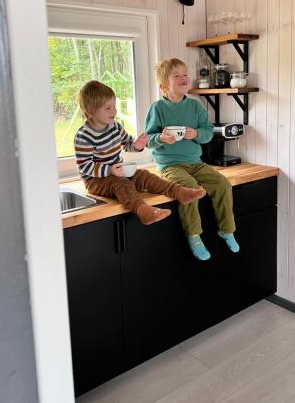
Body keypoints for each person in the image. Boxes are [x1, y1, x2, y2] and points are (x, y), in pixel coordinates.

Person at [74, 80, 206, 226]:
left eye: (114, 106)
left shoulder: (114, 127)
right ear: (91, 112)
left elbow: (127, 144)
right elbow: (84, 166)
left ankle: (180, 192)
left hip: (117, 172)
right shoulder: (84, 136)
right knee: (122, 184)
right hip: (96, 180)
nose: (114, 111)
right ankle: (144, 212)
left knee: (144, 175)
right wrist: (109, 170)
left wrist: (136, 145)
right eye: (108, 108)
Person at [145, 58, 238, 260]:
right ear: (163, 86)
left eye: (185, 74)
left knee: (222, 183)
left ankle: (227, 229)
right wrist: (161, 137)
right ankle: (194, 235)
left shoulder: (196, 107)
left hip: (195, 163)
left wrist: (195, 134)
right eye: (176, 75)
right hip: (170, 165)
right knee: (188, 187)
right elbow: (148, 140)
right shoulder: (157, 109)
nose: (183, 78)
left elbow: (207, 133)